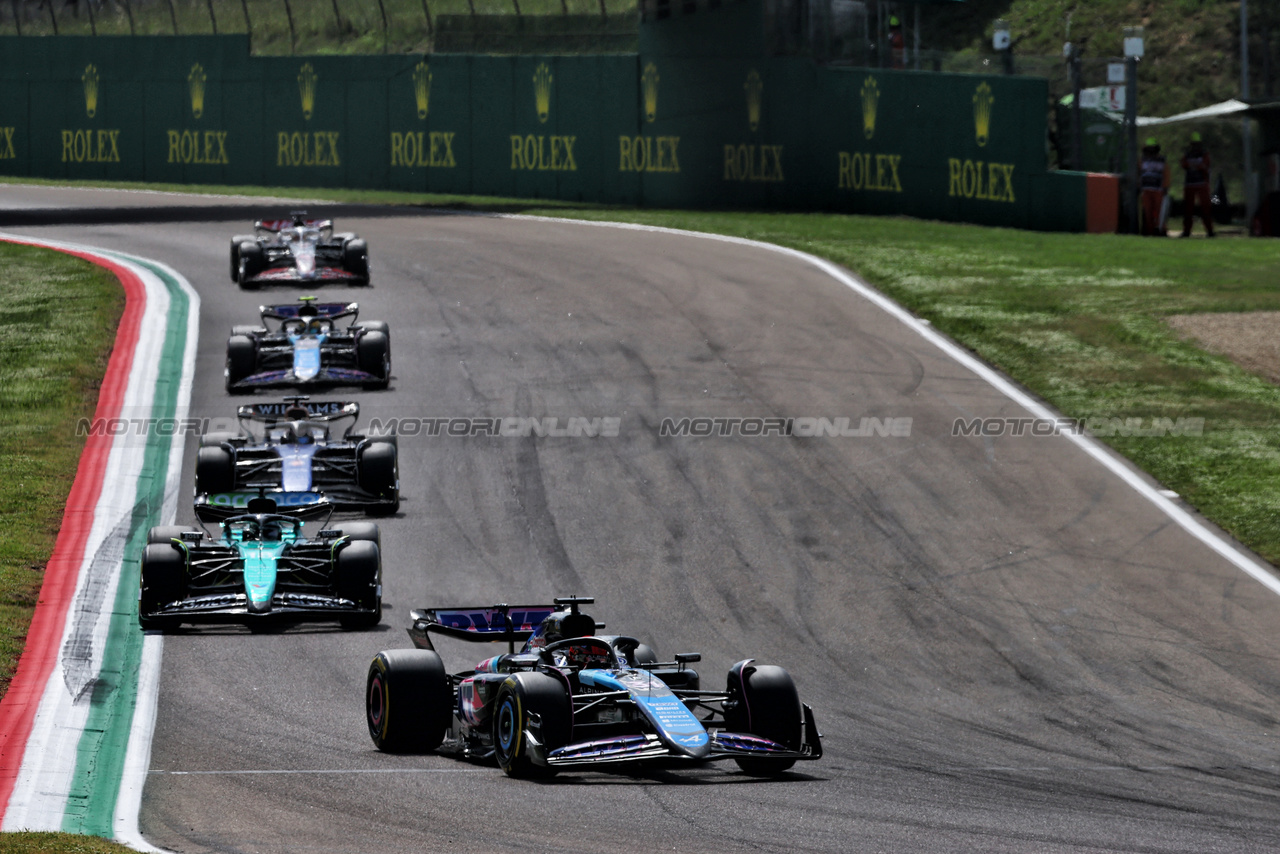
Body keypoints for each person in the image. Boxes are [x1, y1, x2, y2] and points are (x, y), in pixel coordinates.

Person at [1180, 132, 1215, 237]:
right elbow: (1183, 164)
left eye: (1197, 144)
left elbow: (1204, 166)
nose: (1195, 146)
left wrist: (1193, 165)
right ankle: (1186, 231)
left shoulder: (1205, 154)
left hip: (1202, 184)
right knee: (1188, 209)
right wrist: (1196, 165)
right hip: (1189, 184)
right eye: (1193, 144)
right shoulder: (1187, 154)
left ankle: (1209, 230)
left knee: (1206, 208)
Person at [1138, 138, 1170, 236]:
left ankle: (1161, 230)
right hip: (1146, 189)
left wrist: (1165, 186)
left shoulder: (1162, 160)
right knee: (1147, 211)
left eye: (1152, 148)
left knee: (1159, 212)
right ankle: (1149, 231)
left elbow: (1166, 174)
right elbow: (1138, 173)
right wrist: (1138, 186)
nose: (1150, 151)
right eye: (1148, 149)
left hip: (1158, 190)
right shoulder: (1142, 160)